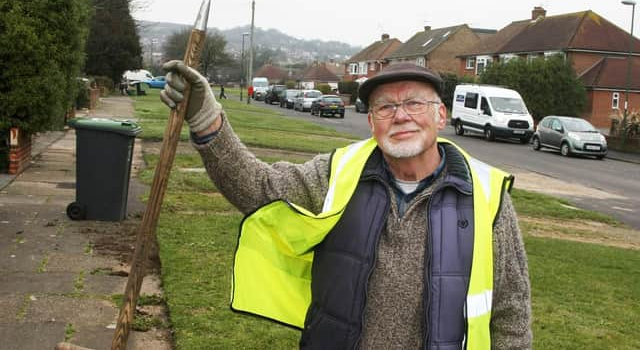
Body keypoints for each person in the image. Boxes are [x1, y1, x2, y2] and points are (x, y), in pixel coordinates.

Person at [160, 60, 532, 349]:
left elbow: (511, 313)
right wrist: (208, 120)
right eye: (385, 107)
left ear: (441, 115)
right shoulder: (338, 173)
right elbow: (259, 189)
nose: (400, 115)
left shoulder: (487, 196)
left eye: (415, 103)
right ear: (371, 122)